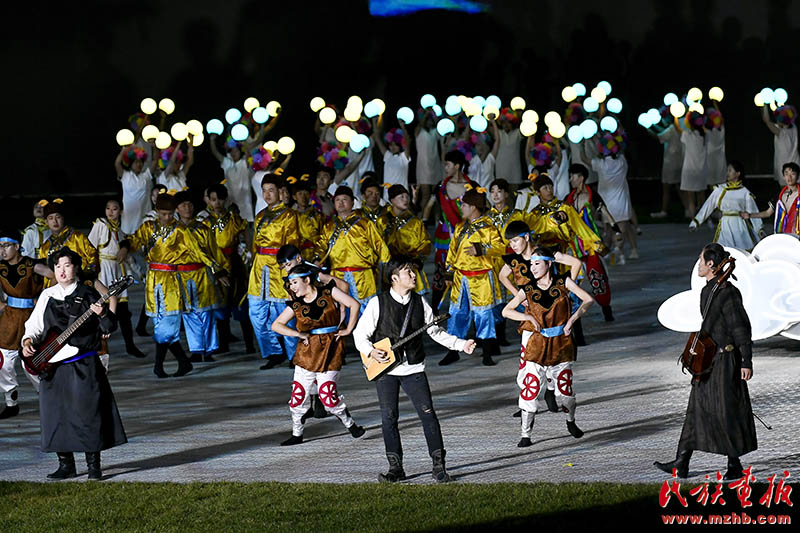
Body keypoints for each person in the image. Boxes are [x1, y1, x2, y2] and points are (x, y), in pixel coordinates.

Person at [353, 257, 477, 483]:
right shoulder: (377, 303)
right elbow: (360, 335)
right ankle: (396, 468)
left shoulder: (421, 303)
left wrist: (461, 344)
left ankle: (439, 467)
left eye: (413, 272)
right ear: (394, 278)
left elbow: (436, 332)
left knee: (428, 415)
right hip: (386, 370)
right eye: (408, 272)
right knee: (388, 418)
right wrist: (370, 351)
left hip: (414, 368)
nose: (413, 276)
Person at [21, 248, 127, 480]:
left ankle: (94, 467)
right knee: (55, 416)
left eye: (66, 265)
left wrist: (102, 314)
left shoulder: (89, 294)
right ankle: (66, 465)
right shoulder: (47, 296)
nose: (61, 270)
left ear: (76, 267)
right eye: (57, 266)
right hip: (53, 367)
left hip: (83, 365)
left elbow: (109, 328)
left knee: (88, 414)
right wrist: (28, 340)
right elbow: (35, 327)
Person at [654, 243, 757, 481]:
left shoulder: (728, 292)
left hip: (726, 360)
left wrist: (746, 361)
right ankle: (681, 462)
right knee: (696, 410)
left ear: (711, 264)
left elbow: (740, 327)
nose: (698, 265)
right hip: (708, 361)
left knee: (726, 411)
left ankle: (734, 465)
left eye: (701, 261)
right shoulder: (707, 290)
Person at [119, 193, 228, 378]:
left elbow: (198, 252)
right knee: (159, 321)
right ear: (156, 212)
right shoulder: (148, 227)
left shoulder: (180, 230)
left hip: (171, 281)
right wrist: (124, 246)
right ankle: (179, 363)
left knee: (167, 323)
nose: (167, 218)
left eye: (170, 214)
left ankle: (162, 365)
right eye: (163, 214)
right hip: (154, 280)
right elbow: (135, 240)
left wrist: (218, 270)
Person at [502, 245, 594, 445]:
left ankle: (571, 421)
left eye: (537, 263)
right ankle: (525, 434)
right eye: (531, 264)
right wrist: (526, 316)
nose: (532, 268)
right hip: (537, 344)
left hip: (561, 343)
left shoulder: (564, 282)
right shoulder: (527, 289)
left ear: (548, 263)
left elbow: (588, 299)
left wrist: (571, 320)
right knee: (531, 388)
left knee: (565, 390)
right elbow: (506, 311)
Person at [271, 264, 365, 445]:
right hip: (307, 352)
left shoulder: (329, 292)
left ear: (307, 280)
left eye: (295, 282)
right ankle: (297, 434)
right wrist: (298, 334)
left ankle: (351, 424)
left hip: (331, 349)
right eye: (290, 283)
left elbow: (354, 304)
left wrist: (348, 329)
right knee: (298, 396)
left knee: (328, 397)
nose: (292, 287)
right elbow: (277, 325)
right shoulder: (296, 304)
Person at [439, 188, 505, 367]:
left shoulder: (488, 228)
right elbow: (452, 251)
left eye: (465, 205)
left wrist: (482, 249)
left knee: (484, 315)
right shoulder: (460, 227)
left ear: (474, 207)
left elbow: (501, 248)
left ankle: (487, 352)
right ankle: (453, 351)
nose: (462, 207)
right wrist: (449, 272)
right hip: (461, 278)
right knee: (457, 314)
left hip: (481, 277)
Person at [313, 186, 391, 315]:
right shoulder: (329, 226)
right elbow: (321, 246)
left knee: (367, 313)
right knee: (341, 312)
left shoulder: (365, 223)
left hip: (363, 276)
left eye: (345, 199)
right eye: (337, 200)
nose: (341, 203)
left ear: (352, 202)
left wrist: (387, 269)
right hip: (337, 276)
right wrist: (317, 259)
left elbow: (380, 246)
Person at [249, 174, 300, 369]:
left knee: (284, 312)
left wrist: (291, 272)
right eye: (264, 190)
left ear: (281, 192)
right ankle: (272, 352)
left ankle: (293, 355)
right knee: (257, 313)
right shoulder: (260, 215)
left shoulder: (289, 215)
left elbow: (292, 244)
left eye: (271, 190)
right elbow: (255, 244)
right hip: (260, 269)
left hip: (280, 268)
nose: (267, 194)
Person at [0, 229, 51, 419]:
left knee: (33, 362)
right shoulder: (1, 267)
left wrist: (44, 298)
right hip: (9, 319)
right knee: (3, 360)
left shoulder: (32, 265)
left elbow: (53, 276)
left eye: (5, 246)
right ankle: (11, 402)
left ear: (16, 246)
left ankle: (47, 399)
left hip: (31, 318)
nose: (2, 251)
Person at [87, 199, 145, 358]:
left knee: (124, 313)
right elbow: (89, 248)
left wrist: (141, 274)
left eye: (115, 208)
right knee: (102, 311)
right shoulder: (100, 225)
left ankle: (130, 345)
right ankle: (100, 348)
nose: (111, 211)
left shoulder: (120, 231)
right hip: (104, 271)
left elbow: (127, 257)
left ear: (121, 211)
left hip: (118, 273)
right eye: (108, 208)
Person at [203, 183, 255, 354]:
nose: (216, 203)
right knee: (220, 305)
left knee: (241, 302)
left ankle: (249, 344)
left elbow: (245, 230)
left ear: (225, 200)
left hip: (234, 263)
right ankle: (223, 343)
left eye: (219, 199)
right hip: (215, 266)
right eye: (213, 199)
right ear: (208, 201)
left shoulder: (233, 218)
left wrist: (248, 252)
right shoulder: (204, 221)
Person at [174, 190, 224, 362]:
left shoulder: (203, 229)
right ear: (177, 209)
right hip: (182, 275)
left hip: (202, 274)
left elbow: (214, 252)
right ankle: (196, 349)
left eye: (189, 205)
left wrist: (219, 272)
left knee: (207, 313)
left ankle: (209, 349)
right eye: (182, 205)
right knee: (188, 314)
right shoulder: (173, 231)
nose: (187, 208)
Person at [564, 164, 618, 321]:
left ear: (581, 178)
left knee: (597, 276)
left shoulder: (592, 196)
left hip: (591, 244)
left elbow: (606, 213)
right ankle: (573, 310)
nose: (570, 179)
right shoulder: (568, 198)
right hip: (574, 244)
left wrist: (617, 231)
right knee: (573, 277)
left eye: (573, 176)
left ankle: (606, 307)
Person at [428, 150, 475, 312]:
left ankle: (469, 310)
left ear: (457, 166)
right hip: (445, 236)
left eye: (448, 165)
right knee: (441, 271)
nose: (445, 168)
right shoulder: (440, 187)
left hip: (467, 236)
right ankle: (434, 312)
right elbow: (430, 208)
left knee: (467, 270)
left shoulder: (472, 186)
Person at [580, 133, 638, 261]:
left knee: (610, 230)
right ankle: (621, 251)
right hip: (621, 201)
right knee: (622, 229)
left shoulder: (601, 164)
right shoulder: (622, 161)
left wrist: (582, 145)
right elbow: (619, 147)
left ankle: (616, 253)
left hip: (606, 203)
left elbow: (584, 158)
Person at [690, 161, 763, 250]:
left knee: (742, 251)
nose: (727, 173)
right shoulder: (720, 189)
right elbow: (708, 206)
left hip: (740, 226)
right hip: (725, 226)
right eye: (727, 171)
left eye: (730, 170)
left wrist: (759, 229)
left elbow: (753, 211)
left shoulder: (745, 192)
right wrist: (696, 222)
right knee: (725, 250)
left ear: (738, 173)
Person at [376, 185, 431, 296]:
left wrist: (417, 261)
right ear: (392, 200)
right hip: (390, 268)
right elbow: (377, 244)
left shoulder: (415, 222)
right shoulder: (383, 220)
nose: (405, 199)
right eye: (401, 197)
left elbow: (425, 243)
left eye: (407, 196)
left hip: (411, 266)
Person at [38, 199, 99, 289]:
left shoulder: (78, 237)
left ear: (63, 217)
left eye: (57, 217)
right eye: (50, 218)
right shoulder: (45, 247)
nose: (54, 221)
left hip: (79, 286)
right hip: (55, 290)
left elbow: (94, 257)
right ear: (46, 222)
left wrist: (85, 277)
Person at [744, 162, 800, 237]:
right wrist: (750, 215)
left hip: (797, 234)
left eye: (792, 174)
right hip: (781, 234)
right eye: (786, 174)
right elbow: (768, 213)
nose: (789, 177)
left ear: (797, 176)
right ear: (783, 176)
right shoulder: (779, 195)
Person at [208, 135, 254, 223]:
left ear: (240, 152)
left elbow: (248, 153)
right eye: (232, 151)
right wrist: (212, 140)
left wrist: (243, 144)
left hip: (246, 208)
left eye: (236, 151)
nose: (234, 153)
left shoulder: (245, 162)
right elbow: (216, 153)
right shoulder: (227, 163)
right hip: (231, 206)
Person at [114, 144, 155, 234]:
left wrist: (154, 147)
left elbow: (155, 161)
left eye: (141, 162)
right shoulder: (125, 176)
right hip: (129, 218)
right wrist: (124, 150)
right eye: (136, 162)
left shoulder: (146, 176)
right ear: (131, 163)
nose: (139, 164)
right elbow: (117, 163)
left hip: (144, 216)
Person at [648, 121, 685, 218]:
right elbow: (663, 132)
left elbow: (658, 137)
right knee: (679, 186)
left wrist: (646, 128)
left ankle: (664, 211)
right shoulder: (682, 126)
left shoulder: (672, 128)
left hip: (670, 162)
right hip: (680, 160)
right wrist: (654, 125)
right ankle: (688, 209)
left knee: (666, 188)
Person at [675, 111, 707, 218]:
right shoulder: (704, 135)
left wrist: (675, 116)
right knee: (701, 195)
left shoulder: (687, 134)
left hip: (689, 170)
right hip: (701, 170)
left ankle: (693, 220)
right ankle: (703, 219)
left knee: (691, 198)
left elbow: (679, 129)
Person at [414, 109, 442, 222]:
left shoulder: (434, 132)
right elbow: (419, 125)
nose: (429, 122)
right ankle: (421, 221)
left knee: (436, 197)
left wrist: (434, 116)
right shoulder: (419, 131)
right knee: (425, 195)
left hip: (435, 166)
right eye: (428, 120)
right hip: (423, 167)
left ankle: (437, 222)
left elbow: (442, 129)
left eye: (431, 120)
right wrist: (426, 113)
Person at [762, 104, 800, 183]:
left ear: (781, 121)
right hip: (796, 166)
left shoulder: (781, 132)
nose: (776, 120)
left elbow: (766, 120)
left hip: (785, 169)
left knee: (786, 192)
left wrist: (764, 104)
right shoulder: (794, 127)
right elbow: (787, 116)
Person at [373, 120, 412, 195]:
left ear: (400, 145)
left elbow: (407, 142)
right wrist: (374, 120)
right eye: (391, 145)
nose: (392, 147)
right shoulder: (388, 156)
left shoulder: (404, 157)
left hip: (402, 196)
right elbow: (377, 138)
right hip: (387, 196)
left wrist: (403, 127)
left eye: (395, 145)